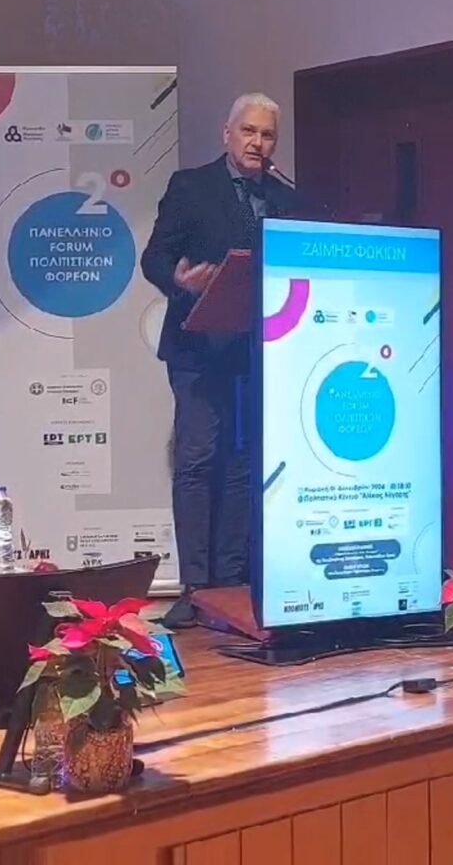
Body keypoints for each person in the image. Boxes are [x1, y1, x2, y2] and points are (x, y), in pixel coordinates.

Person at [141, 93, 297, 627]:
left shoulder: (284, 197)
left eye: (267, 135)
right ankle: (196, 587)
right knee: (198, 460)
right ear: (226, 134)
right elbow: (155, 256)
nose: (258, 143)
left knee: (242, 463)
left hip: (256, 350)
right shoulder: (191, 186)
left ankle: (231, 582)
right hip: (197, 348)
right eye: (248, 131)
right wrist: (179, 279)